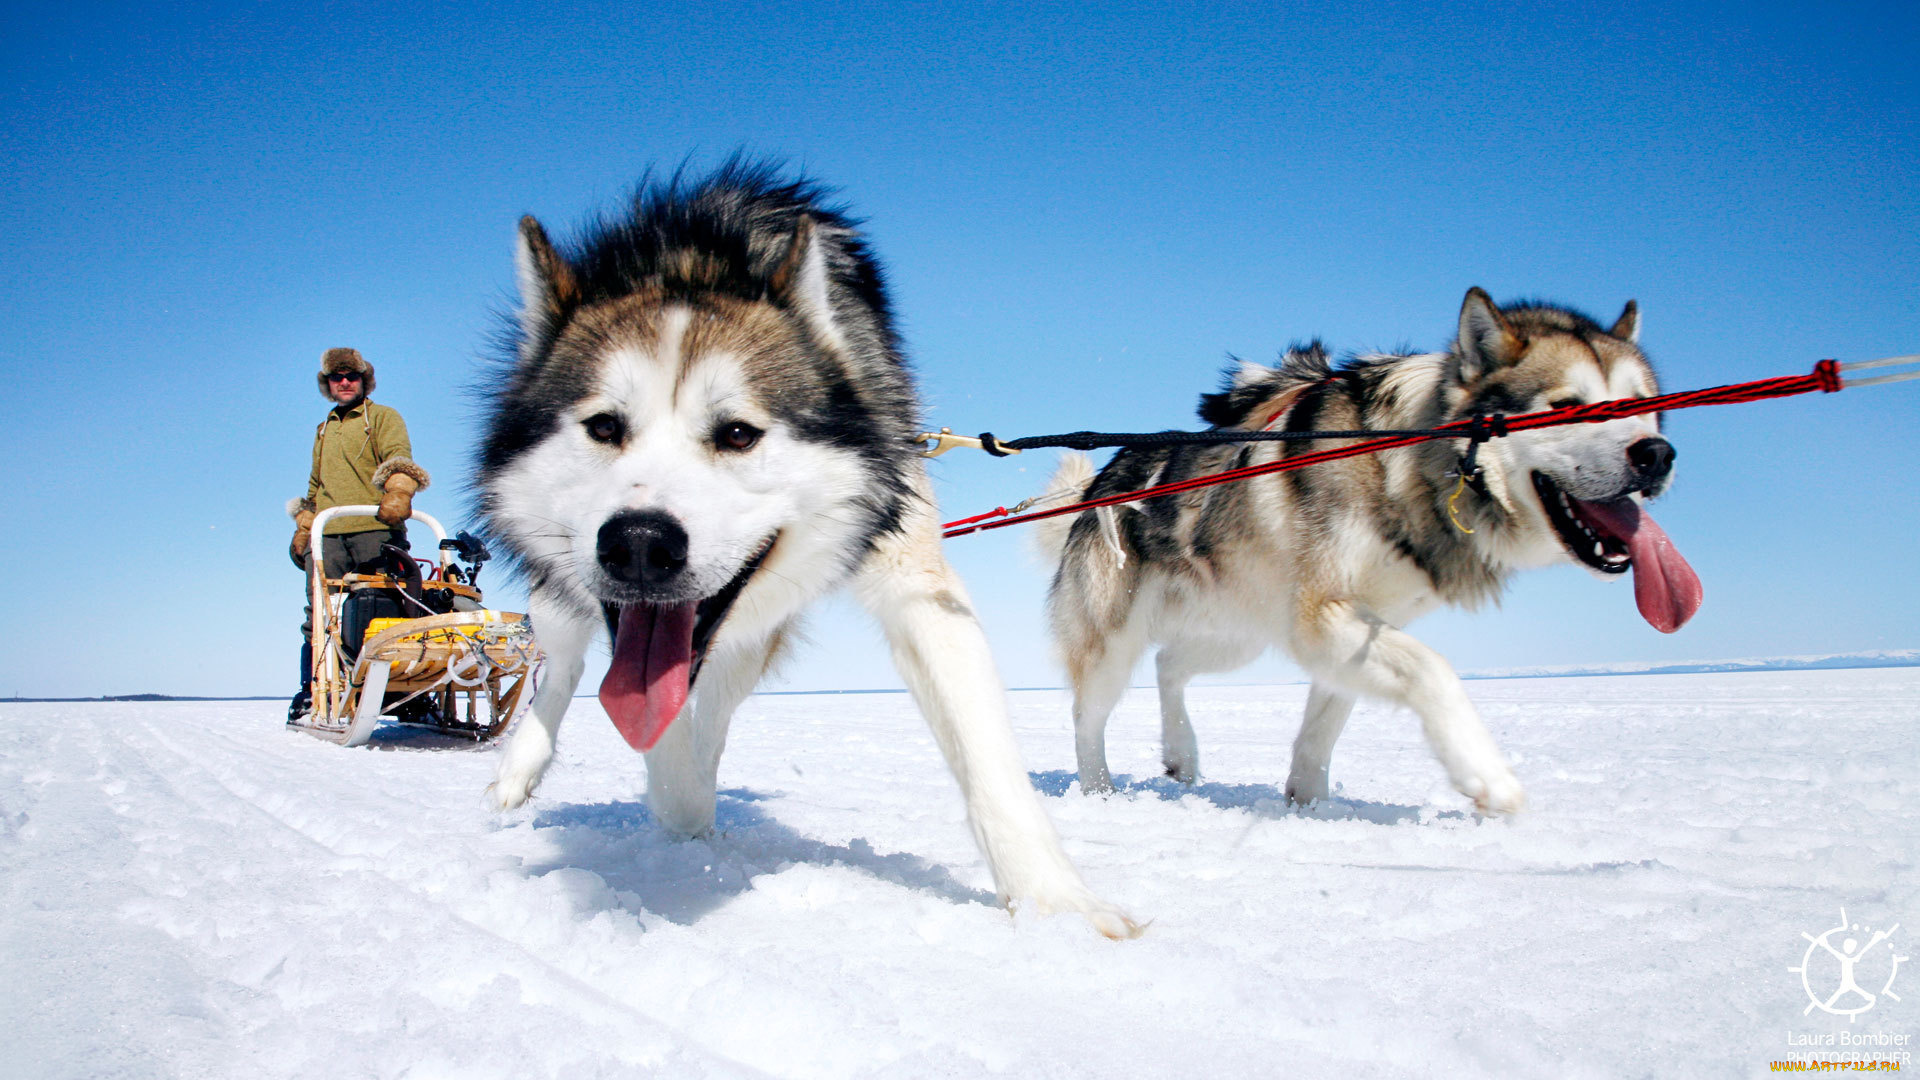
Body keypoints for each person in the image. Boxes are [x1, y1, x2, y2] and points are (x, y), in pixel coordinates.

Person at [287, 347, 429, 719]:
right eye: (337, 377)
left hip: (374, 529)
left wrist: (399, 491)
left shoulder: (382, 417)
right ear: (328, 385)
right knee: (319, 615)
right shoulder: (324, 429)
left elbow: (400, 458)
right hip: (329, 534)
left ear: (365, 380)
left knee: (388, 609)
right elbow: (316, 484)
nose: (345, 382)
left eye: (352, 376)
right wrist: (305, 525)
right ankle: (313, 692)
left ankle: (404, 694)